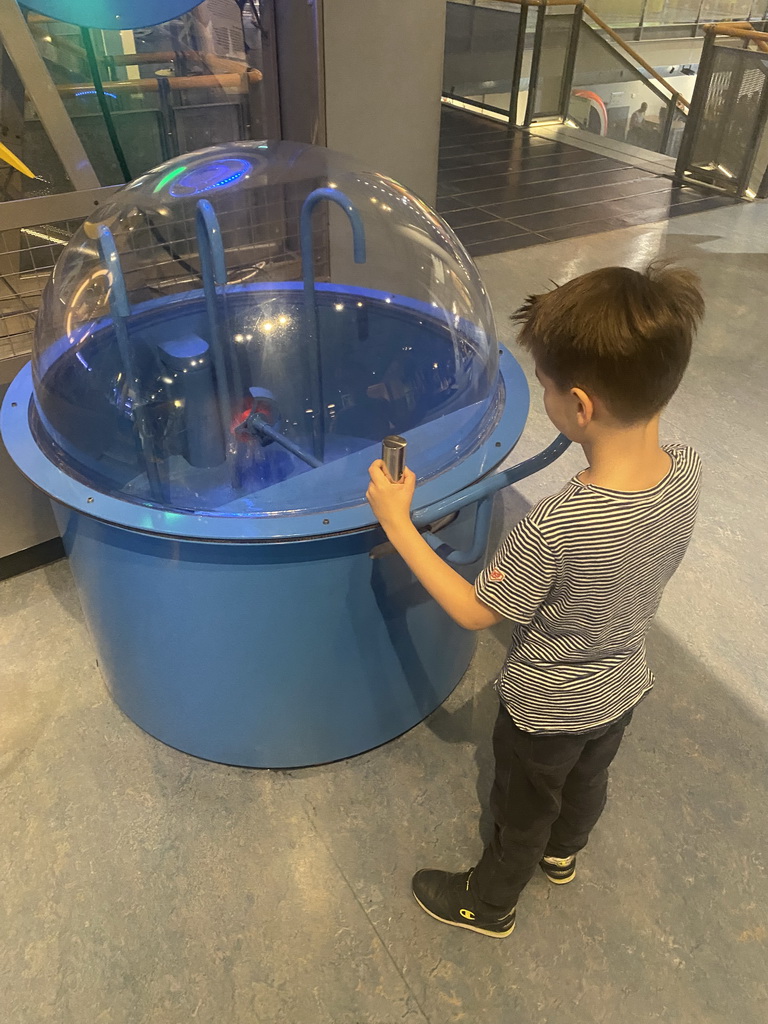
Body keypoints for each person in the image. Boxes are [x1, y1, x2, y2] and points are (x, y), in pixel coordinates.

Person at [366, 262, 705, 938]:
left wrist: (399, 523)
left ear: (579, 407)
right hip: (621, 688)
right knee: (585, 785)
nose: (544, 396)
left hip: (545, 711)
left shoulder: (555, 525)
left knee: (521, 806)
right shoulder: (689, 470)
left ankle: (490, 902)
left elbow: (474, 611)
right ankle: (564, 853)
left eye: (546, 388)